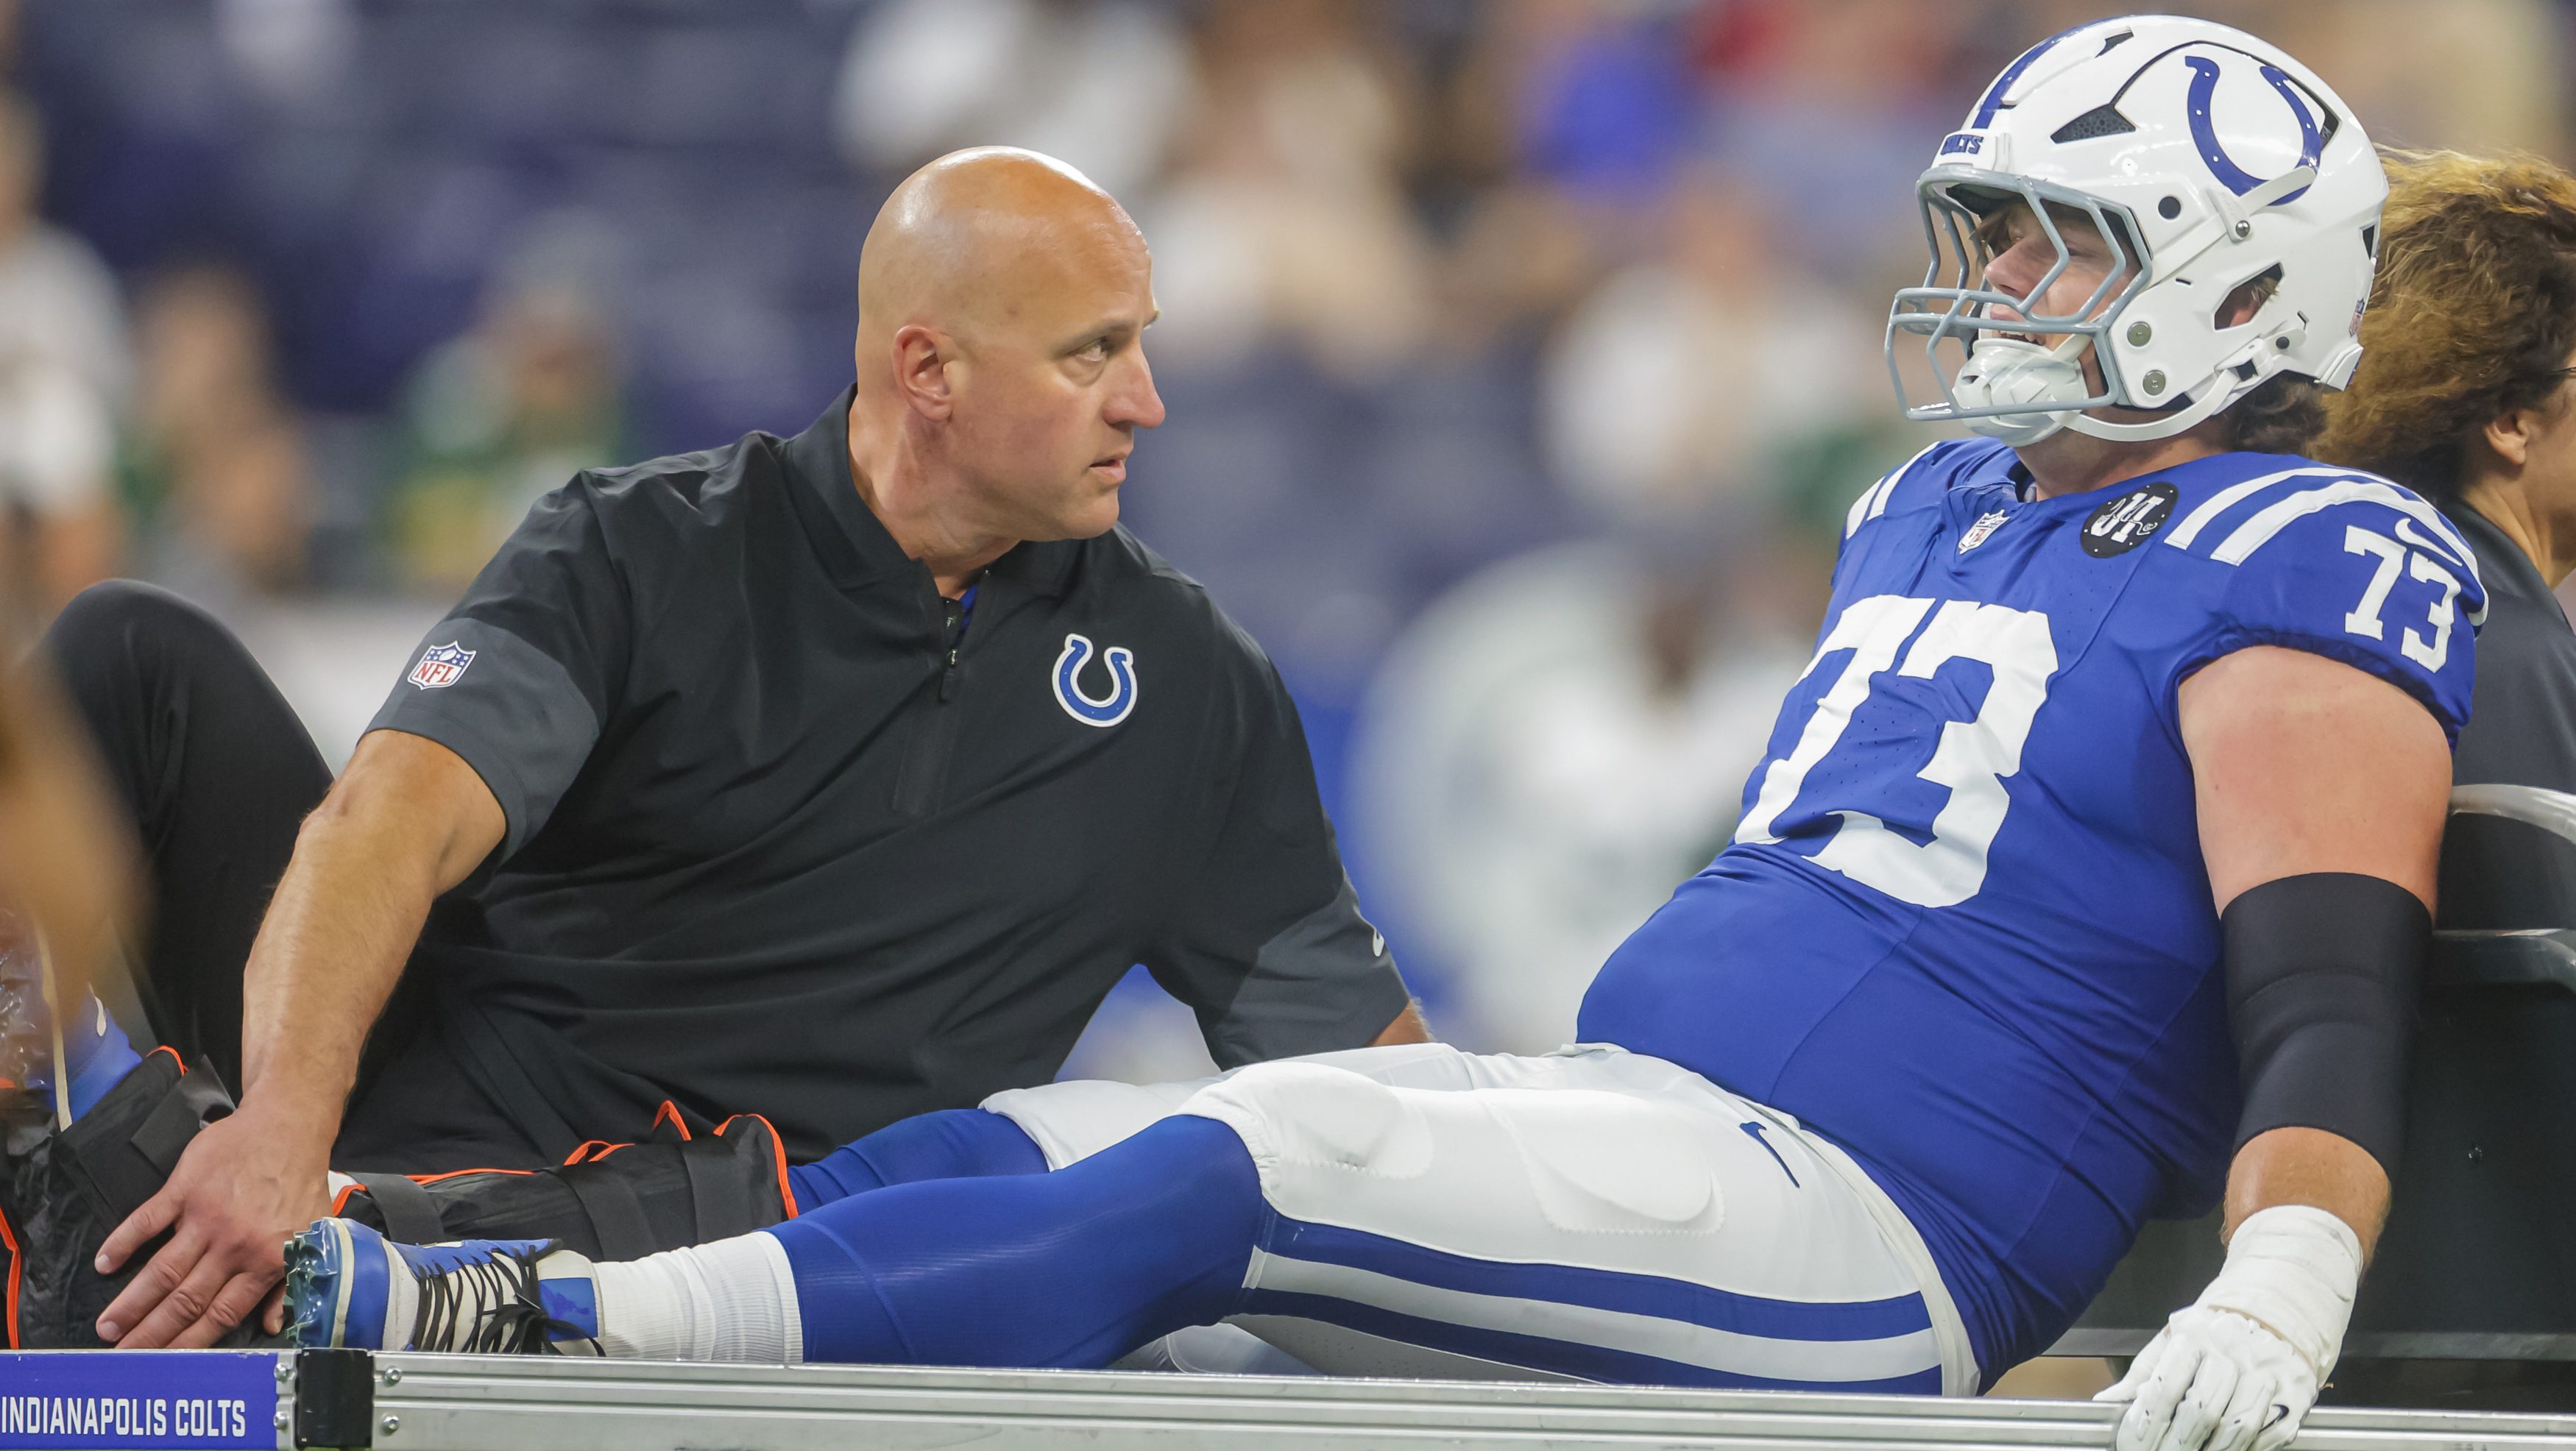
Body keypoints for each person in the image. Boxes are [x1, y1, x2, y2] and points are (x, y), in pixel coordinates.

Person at [291, 18, 2465, 1451]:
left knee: (1250, 1158)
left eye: (2055, 249)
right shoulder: (1933, 499)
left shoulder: (2309, 546)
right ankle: (490, 1276)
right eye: (1984, 232)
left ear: (2241, 284)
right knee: (1033, 1135)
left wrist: (2291, 1266)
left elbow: (2324, 981)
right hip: (1678, 1132)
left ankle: (539, 1358)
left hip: (1865, 1245)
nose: (1990, 281)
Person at [49, 147, 1425, 1352]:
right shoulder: (643, 548)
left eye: (1141, 346)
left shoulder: (1190, 690)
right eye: (1092, 355)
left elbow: (1378, 1086)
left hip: (756, 1254)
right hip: (419, 1120)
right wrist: (281, 1131)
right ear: (927, 368)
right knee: (126, 657)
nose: (1146, 402)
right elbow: (387, 822)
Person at [2304, 148, 2576, 1406]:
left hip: (2294, 1338)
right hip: (2502, 1367)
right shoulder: (2510, 660)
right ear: (2512, 418)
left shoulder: (2316, 622)